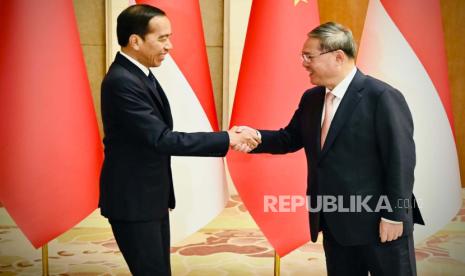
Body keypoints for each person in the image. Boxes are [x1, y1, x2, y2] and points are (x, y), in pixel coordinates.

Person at [236, 22, 424, 275]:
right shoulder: (312, 98)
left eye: (309, 56)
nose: (303, 62)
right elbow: (289, 138)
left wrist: (394, 215)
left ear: (338, 56)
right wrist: (255, 136)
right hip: (334, 221)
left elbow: (400, 161)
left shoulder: (381, 97)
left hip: (379, 224)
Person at [99, 4, 260, 275]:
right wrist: (227, 139)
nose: (169, 46)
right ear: (135, 41)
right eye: (162, 38)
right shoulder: (122, 81)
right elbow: (161, 139)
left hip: (149, 198)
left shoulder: (140, 74)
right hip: (134, 200)